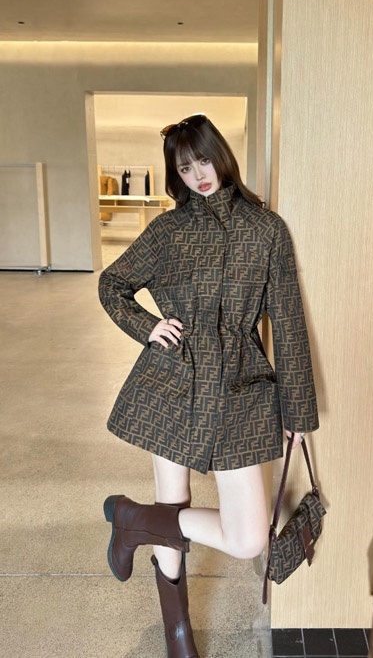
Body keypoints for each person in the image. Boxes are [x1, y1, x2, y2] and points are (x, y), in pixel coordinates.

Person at [99, 114, 319, 658]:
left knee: (248, 538)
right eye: (184, 168)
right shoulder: (167, 231)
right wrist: (148, 327)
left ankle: (132, 520)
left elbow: (288, 322)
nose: (198, 175)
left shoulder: (266, 229)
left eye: (203, 160)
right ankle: (177, 633)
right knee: (173, 499)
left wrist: (297, 413)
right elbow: (113, 283)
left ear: (221, 155)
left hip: (243, 387)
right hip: (173, 380)